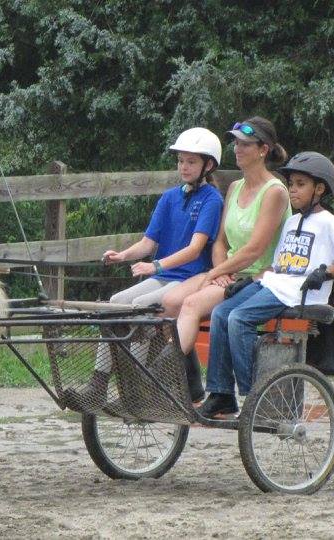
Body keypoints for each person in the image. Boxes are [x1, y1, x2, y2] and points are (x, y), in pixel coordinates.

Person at [62, 127, 224, 411]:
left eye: (191, 162)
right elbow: (149, 242)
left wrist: (156, 265)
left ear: (208, 165)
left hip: (191, 277)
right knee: (114, 305)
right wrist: (122, 255)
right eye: (181, 161)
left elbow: (196, 249)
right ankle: (98, 387)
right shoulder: (170, 197)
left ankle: (135, 389)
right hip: (165, 277)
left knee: (138, 308)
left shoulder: (212, 200)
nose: (183, 167)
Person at [197, 151, 334, 417]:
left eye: (301, 184)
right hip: (276, 284)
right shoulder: (293, 222)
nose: (293, 190)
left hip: (299, 292)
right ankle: (221, 394)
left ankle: (255, 394)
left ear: (319, 189)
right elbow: (278, 265)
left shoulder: (328, 223)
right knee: (220, 313)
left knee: (239, 319)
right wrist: (249, 281)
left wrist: (325, 273)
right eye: (291, 184)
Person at [162, 117, 292, 364]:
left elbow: (255, 249)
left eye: (245, 144)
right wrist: (220, 272)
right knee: (169, 302)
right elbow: (220, 242)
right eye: (235, 143)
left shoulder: (275, 191)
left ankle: (162, 376)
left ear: (263, 150)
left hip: (257, 277)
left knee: (190, 305)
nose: (237, 149)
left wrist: (217, 273)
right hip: (229, 273)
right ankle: (187, 385)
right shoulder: (234, 187)